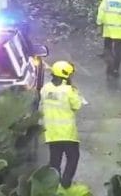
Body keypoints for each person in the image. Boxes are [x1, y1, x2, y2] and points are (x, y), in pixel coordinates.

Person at [41, 60, 84, 190]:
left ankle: (54, 186)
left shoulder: (45, 89)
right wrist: (74, 90)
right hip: (67, 133)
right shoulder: (69, 90)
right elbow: (77, 105)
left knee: (55, 160)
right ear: (66, 75)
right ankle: (66, 183)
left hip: (51, 133)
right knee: (73, 157)